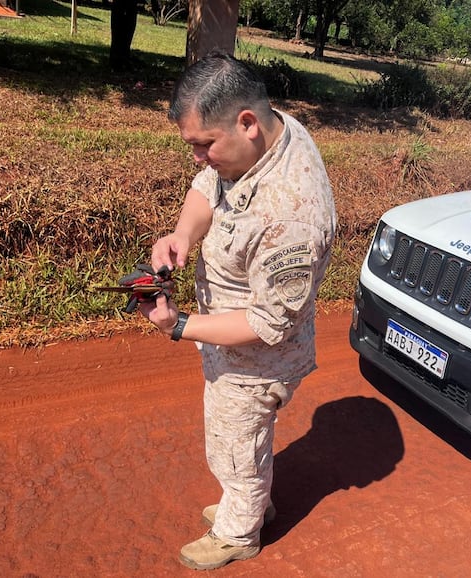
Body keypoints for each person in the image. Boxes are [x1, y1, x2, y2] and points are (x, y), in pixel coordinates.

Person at [137, 52, 336, 571]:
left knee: (235, 441)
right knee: (234, 439)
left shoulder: (293, 212)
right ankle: (247, 498)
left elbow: (268, 323)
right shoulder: (257, 139)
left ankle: (239, 531)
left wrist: (178, 325)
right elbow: (208, 189)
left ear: (246, 123)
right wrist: (182, 235)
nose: (199, 158)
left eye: (204, 145)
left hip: (258, 356)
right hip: (227, 332)